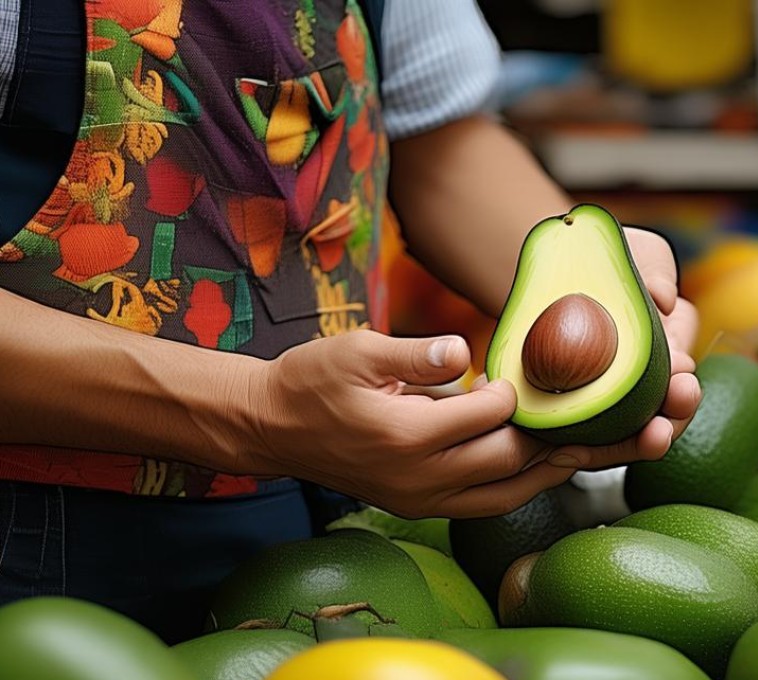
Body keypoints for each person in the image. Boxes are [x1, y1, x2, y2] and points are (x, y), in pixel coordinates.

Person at [0, 0, 700, 642]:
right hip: (39, 546)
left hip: (337, 532)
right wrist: (252, 409)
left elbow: (438, 136)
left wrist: (590, 279)